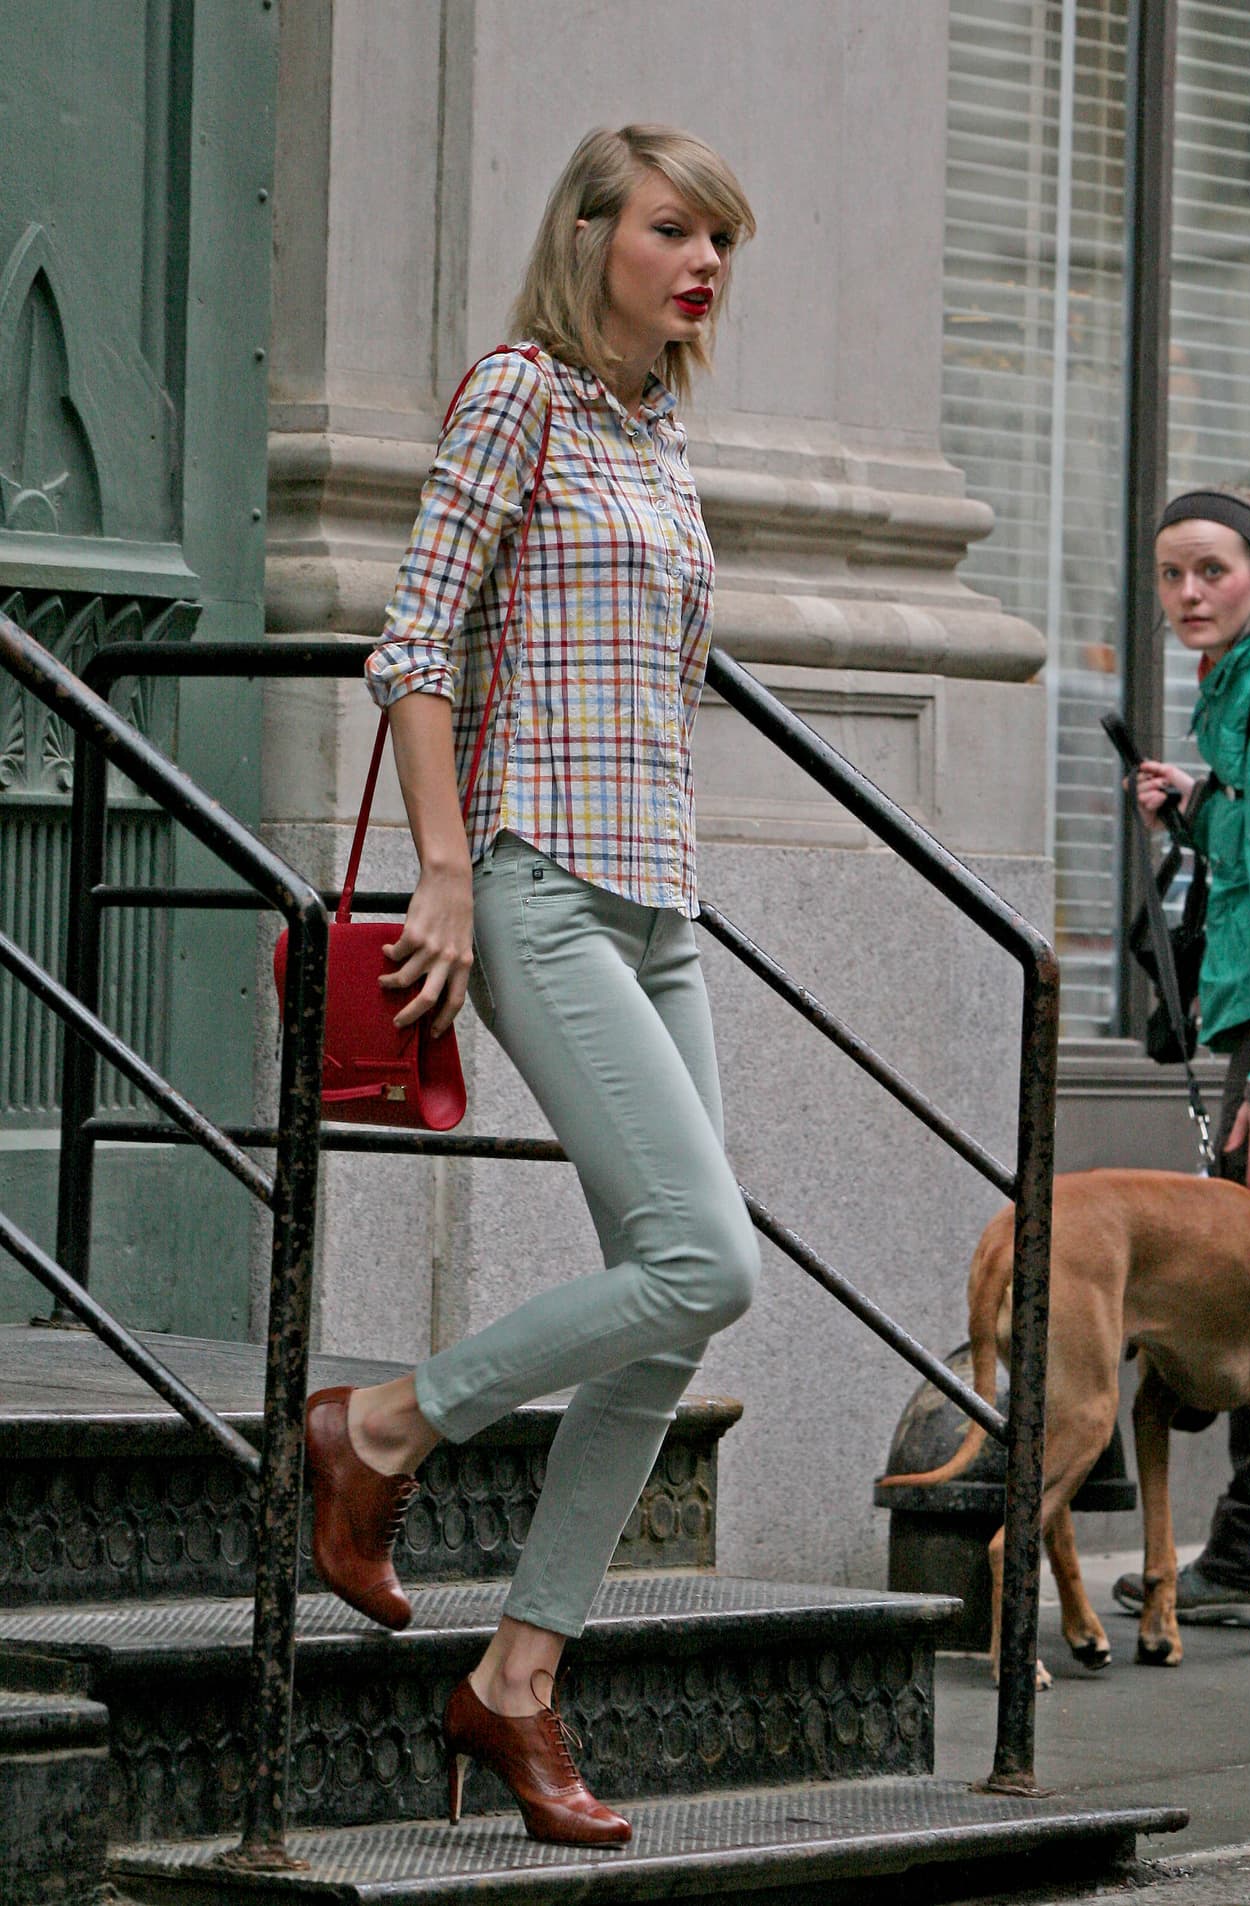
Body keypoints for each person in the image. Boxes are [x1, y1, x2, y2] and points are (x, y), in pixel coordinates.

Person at [302, 125, 760, 1847]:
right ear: (592, 238)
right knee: (705, 1254)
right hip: (541, 888)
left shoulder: (659, 424)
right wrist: (445, 877)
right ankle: (381, 1426)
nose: (703, 260)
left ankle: (515, 1680)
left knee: (683, 1291)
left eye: (719, 237)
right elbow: (418, 646)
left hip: (665, 904)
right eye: (672, 229)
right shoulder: (523, 394)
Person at [1111, 485, 1250, 1623]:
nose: (1186, 594)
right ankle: (1240, 1558)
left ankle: (1239, 1562)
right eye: (1170, 574)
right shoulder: (1244, 698)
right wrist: (1193, 804)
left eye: (1210, 570)